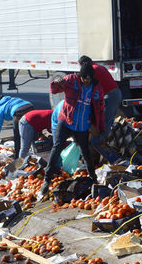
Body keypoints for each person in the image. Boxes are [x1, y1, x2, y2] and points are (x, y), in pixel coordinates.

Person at [40, 62, 104, 199]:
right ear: (80, 76)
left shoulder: (96, 87)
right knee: (57, 147)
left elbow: (100, 107)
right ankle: (46, 180)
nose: (86, 82)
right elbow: (54, 90)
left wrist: (100, 126)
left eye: (89, 79)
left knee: (85, 152)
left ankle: (93, 179)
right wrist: (57, 83)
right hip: (66, 121)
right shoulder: (71, 80)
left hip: (82, 126)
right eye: (84, 79)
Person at [78, 56, 122, 135]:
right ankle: (107, 138)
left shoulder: (93, 70)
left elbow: (88, 86)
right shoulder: (99, 67)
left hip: (110, 95)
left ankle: (101, 140)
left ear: (84, 64)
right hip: (115, 93)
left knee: (104, 120)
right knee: (108, 119)